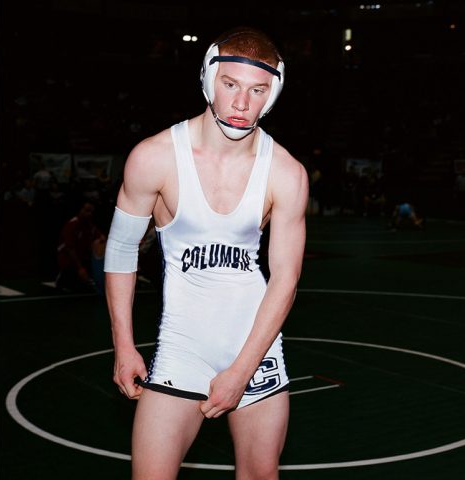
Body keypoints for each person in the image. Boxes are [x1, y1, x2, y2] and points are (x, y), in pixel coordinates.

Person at [104, 27, 308, 479]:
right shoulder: (154, 157)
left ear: (272, 95)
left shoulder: (286, 173)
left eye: (257, 90)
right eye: (230, 84)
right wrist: (123, 344)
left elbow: (286, 279)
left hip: (255, 348)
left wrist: (243, 369)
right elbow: (121, 250)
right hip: (183, 349)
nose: (242, 103)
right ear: (207, 78)